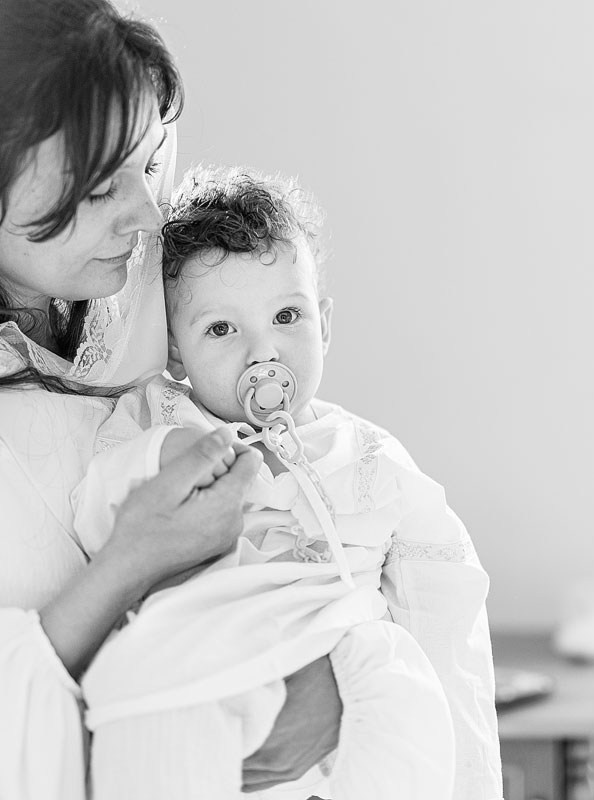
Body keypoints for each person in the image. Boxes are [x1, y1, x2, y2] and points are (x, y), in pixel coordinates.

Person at [0, 1, 342, 798]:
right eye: (98, 188)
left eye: (147, 162)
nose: (145, 214)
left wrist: (330, 669)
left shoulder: (155, 308)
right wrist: (133, 562)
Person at [70, 165, 503, 800]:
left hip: (342, 655)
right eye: (221, 329)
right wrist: (164, 455)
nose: (262, 352)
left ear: (324, 324)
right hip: (205, 658)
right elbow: (96, 511)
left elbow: (443, 596)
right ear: (175, 352)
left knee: (407, 694)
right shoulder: (156, 423)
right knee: (142, 707)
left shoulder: (369, 457)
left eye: (286, 316)